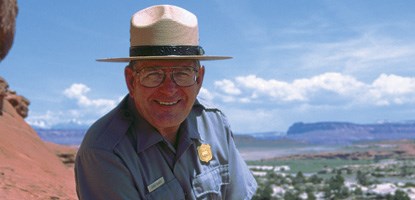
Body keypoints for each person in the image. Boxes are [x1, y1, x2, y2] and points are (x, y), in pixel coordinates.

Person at [75, 4, 257, 200]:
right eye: (153, 74)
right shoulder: (104, 151)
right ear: (131, 81)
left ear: (200, 79)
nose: (169, 90)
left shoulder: (214, 123)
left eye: (183, 73)